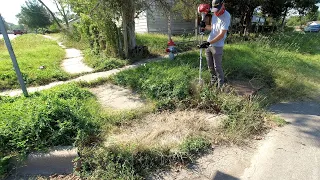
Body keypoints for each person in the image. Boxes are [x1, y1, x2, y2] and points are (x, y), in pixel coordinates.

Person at [199, 0, 231, 88]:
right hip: (209, 44)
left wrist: (208, 42)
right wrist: (204, 26)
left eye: (217, 9)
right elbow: (213, 28)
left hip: (217, 46)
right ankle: (213, 81)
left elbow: (221, 34)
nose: (216, 12)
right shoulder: (214, 14)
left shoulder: (226, 16)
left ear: (223, 5)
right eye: (215, 9)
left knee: (217, 67)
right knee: (210, 66)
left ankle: (220, 86)